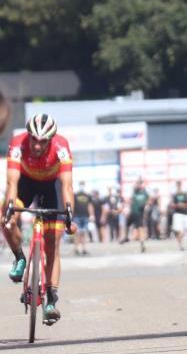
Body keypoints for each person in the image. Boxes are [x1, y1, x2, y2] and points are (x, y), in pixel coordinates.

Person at [2, 114, 74, 324]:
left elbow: (67, 185)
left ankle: (51, 300)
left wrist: (69, 214)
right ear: (28, 136)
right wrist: (9, 210)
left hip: (52, 187)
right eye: (34, 139)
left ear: (51, 139)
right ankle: (20, 257)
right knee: (5, 218)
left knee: (52, 242)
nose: (36, 145)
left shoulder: (61, 147)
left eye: (43, 141)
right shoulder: (18, 144)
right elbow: (11, 183)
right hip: (25, 183)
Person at [122, 180, 148, 252]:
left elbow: (147, 201)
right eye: (136, 184)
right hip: (133, 212)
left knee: (140, 228)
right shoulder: (134, 193)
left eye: (138, 184)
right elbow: (130, 201)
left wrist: (145, 207)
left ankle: (142, 244)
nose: (137, 186)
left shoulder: (144, 193)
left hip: (139, 213)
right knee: (127, 224)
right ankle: (126, 237)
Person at [72, 183, 94, 255]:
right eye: (81, 184)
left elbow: (90, 205)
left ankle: (84, 249)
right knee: (77, 233)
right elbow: (73, 204)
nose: (82, 186)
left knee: (84, 233)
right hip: (77, 216)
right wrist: (71, 215)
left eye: (83, 184)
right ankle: (77, 249)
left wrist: (91, 215)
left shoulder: (88, 195)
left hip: (85, 216)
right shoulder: (75, 195)